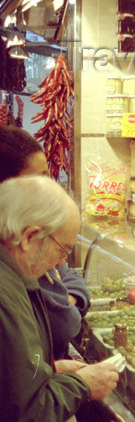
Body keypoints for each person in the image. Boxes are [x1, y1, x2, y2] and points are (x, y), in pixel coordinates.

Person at [0, 175, 119, 420]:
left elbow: (9, 378)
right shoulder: (5, 295)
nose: (62, 262)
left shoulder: (14, 276)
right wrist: (81, 385)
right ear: (29, 237)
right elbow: (26, 413)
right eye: (62, 249)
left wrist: (49, 369)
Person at [0, 125, 91, 360]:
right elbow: (66, 323)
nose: (48, 186)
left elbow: (66, 272)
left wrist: (67, 294)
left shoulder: (27, 242)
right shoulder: (19, 249)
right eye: (39, 179)